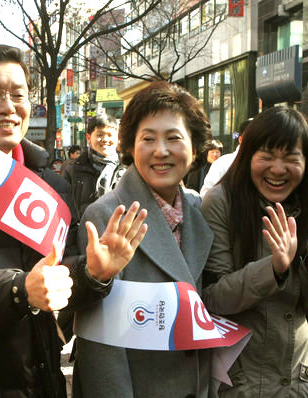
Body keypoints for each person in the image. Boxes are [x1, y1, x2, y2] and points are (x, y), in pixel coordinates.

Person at [0, 44, 148, 397]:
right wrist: (20, 290)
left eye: (18, 94)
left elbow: (58, 281)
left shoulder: (51, 184)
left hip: (42, 375)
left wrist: (93, 273)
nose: (7, 106)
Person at [74, 81, 215, 397]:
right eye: (148, 139)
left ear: (194, 147)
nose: (161, 151)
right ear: (130, 146)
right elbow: (101, 343)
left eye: (174, 138)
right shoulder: (106, 214)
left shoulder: (197, 207)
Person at [200, 106, 308, 397]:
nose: (278, 170)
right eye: (266, 156)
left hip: (300, 375)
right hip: (242, 378)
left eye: (291, 159)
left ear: (306, 161)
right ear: (247, 156)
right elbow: (213, 298)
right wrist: (273, 269)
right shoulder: (220, 202)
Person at [62, 115, 124, 217]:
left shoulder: (127, 168)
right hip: (83, 230)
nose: (105, 139)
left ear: (118, 138)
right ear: (89, 138)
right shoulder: (73, 169)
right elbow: (64, 207)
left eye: (110, 135)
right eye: (100, 135)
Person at [200, 118, 252, 197]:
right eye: (252, 136)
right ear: (240, 139)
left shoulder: (268, 165)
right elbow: (206, 195)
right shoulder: (222, 164)